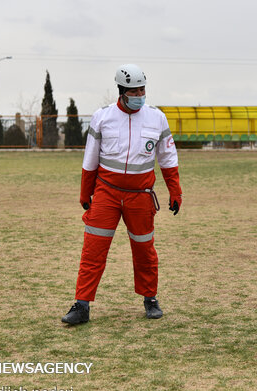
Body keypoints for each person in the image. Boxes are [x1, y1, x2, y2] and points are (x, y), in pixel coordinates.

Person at [62, 63, 182, 324]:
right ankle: (81, 305)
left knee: (144, 249)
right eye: (134, 91)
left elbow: (168, 156)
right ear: (122, 91)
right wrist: (86, 193)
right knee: (93, 250)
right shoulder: (102, 117)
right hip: (106, 193)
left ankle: (150, 299)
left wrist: (175, 191)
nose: (140, 95)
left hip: (140, 195)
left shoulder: (157, 117)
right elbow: (90, 157)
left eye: (142, 90)